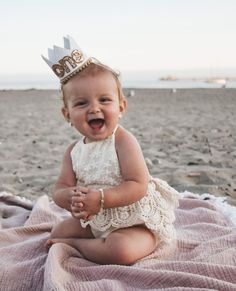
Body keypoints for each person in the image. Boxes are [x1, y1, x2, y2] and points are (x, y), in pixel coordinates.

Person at [42, 35, 179, 265]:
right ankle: (84, 242)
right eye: (81, 103)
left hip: (134, 219)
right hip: (96, 219)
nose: (94, 108)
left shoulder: (123, 141)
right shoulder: (73, 151)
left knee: (121, 251)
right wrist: (70, 198)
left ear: (121, 106)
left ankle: (78, 246)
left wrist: (102, 199)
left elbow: (138, 184)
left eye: (104, 100)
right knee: (57, 232)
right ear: (67, 115)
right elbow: (61, 188)